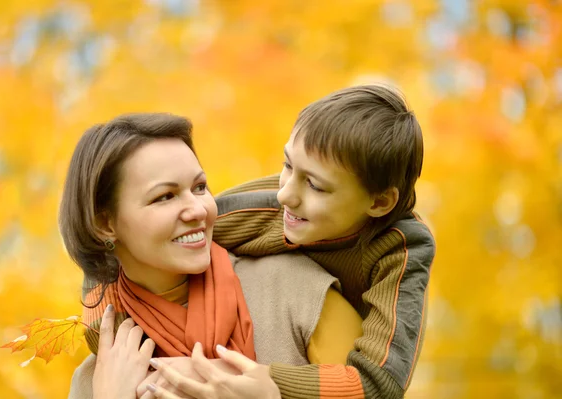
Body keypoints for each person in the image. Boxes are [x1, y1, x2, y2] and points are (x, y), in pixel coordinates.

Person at [145, 84, 436, 399]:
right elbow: (129, 243)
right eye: (287, 165)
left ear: (379, 203)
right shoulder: (268, 205)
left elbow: (380, 383)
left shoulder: (401, 249)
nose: (285, 194)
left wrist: (264, 380)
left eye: (314, 184)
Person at [61, 113, 364, 398]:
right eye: (164, 196)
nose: (198, 209)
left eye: (199, 187)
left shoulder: (297, 292)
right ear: (105, 224)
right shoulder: (101, 375)